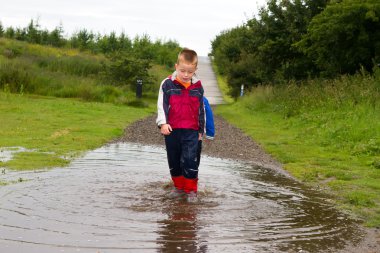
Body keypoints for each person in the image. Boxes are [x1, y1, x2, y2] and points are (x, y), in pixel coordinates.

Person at [156, 48, 204, 202]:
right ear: (176, 66)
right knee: (174, 160)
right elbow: (161, 105)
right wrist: (163, 123)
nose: (185, 75)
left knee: (190, 160)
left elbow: (201, 109)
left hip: (191, 131)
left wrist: (200, 131)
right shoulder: (167, 84)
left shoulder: (198, 87)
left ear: (195, 70)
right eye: (182, 70)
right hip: (172, 130)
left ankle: (191, 192)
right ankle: (178, 189)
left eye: (190, 72)